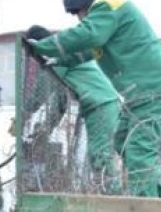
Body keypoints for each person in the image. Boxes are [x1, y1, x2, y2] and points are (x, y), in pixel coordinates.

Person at [29, 0, 161, 198]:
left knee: (139, 149)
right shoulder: (107, 16)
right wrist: (60, 59)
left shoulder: (107, 5)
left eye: (76, 12)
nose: (78, 18)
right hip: (142, 91)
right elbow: (88, 50)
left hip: (152, 87)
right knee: (123, 140)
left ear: (83, 4)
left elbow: (89, 34)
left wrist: (45, 46)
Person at [25, 24, 122, 195]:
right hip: (101, 104)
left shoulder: (57, 57)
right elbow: (62, 99)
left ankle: (114, 196)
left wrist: (25, 113)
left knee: (100, 154)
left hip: (102, 104)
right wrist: (47, 129)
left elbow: (42, 91)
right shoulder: (64, 55)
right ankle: (110, 193)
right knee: (98, 155)